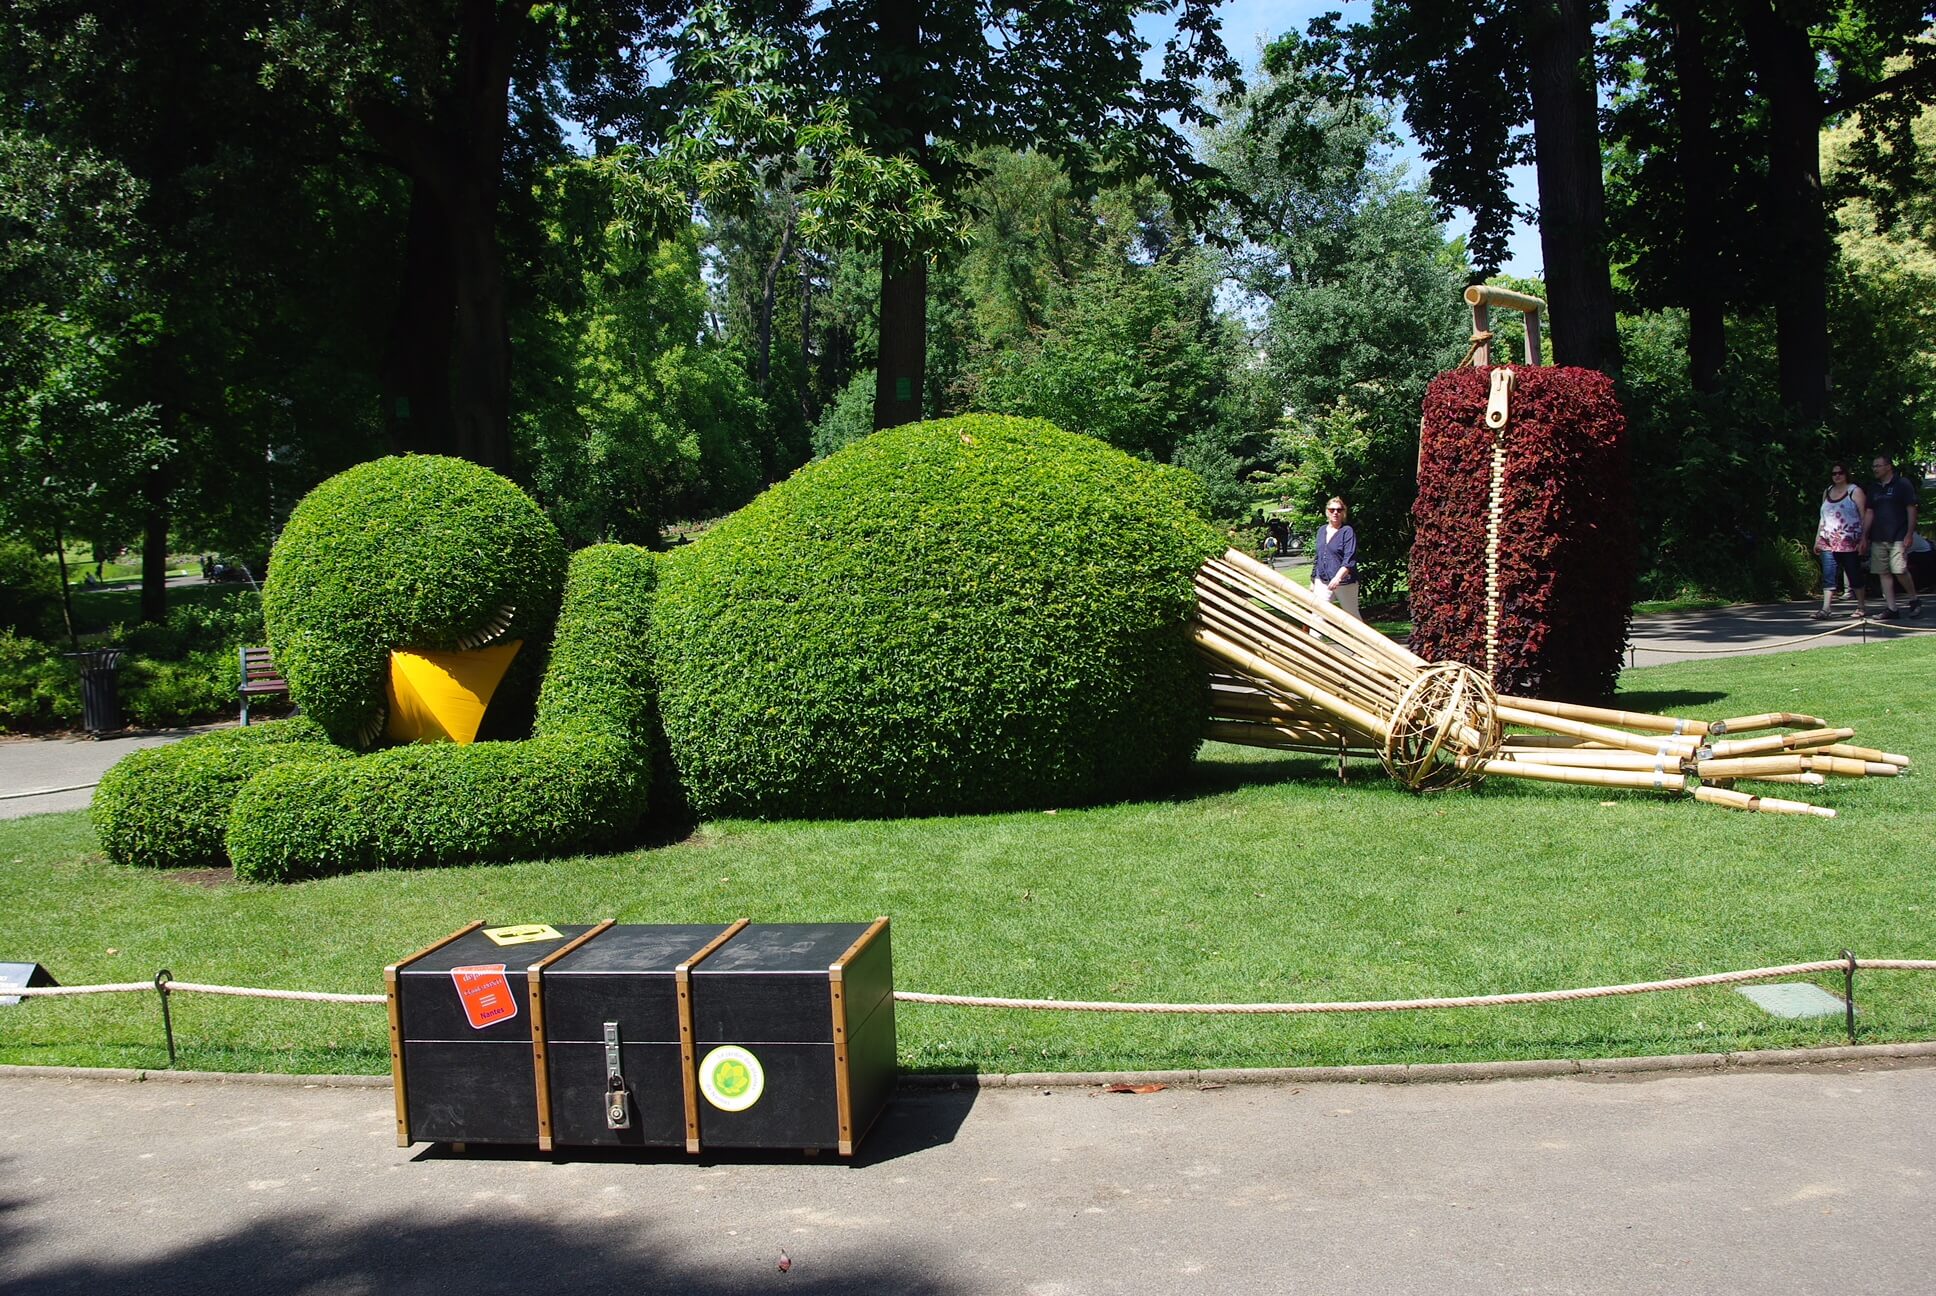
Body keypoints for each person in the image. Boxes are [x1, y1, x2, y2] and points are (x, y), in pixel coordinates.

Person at [1863, 455, 1921, 621]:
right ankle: (1891, 608)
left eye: (1878, 466)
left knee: (1899, 569)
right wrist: (1864, 535)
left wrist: (1909, 533)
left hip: (1898, 535)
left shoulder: (1902, 484)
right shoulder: (1873, 488)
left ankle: (1914, 600)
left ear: (1888, 467)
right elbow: (1869, 512)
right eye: (1873, 466)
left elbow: (1911, 508)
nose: (1875, 469)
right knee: (1883, 572)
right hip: (1878, 536)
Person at [1812, 463, 1867, 619]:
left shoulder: (1854, 491)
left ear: (1846, 474)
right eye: (1834, 473)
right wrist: (1817, 538)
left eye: (1840, 473)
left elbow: (1863, 515)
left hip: (1848, 540)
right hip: (1828, 539)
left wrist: (1864, 538)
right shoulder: (1828, 491)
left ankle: (1861, 606)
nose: (1837, 476)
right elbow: (1822, 517)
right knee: (1829, 573)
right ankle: (1826, 608)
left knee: (1853, 572)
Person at [1311, 496, 1360, 619]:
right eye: (1332, 510)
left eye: (1339, 510)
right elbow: (1318, 557)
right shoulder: (1321, 531)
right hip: (1322, 580)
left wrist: (1338, 577)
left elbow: (1350, 558)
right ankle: (1315, 639)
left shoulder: (1347, 531)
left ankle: (1363, 639)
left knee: (1352, 618)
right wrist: (1313, 580)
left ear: (1344, 512)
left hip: (1344, 582)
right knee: (1317, 617)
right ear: (1327, 512)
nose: (1335, 513)